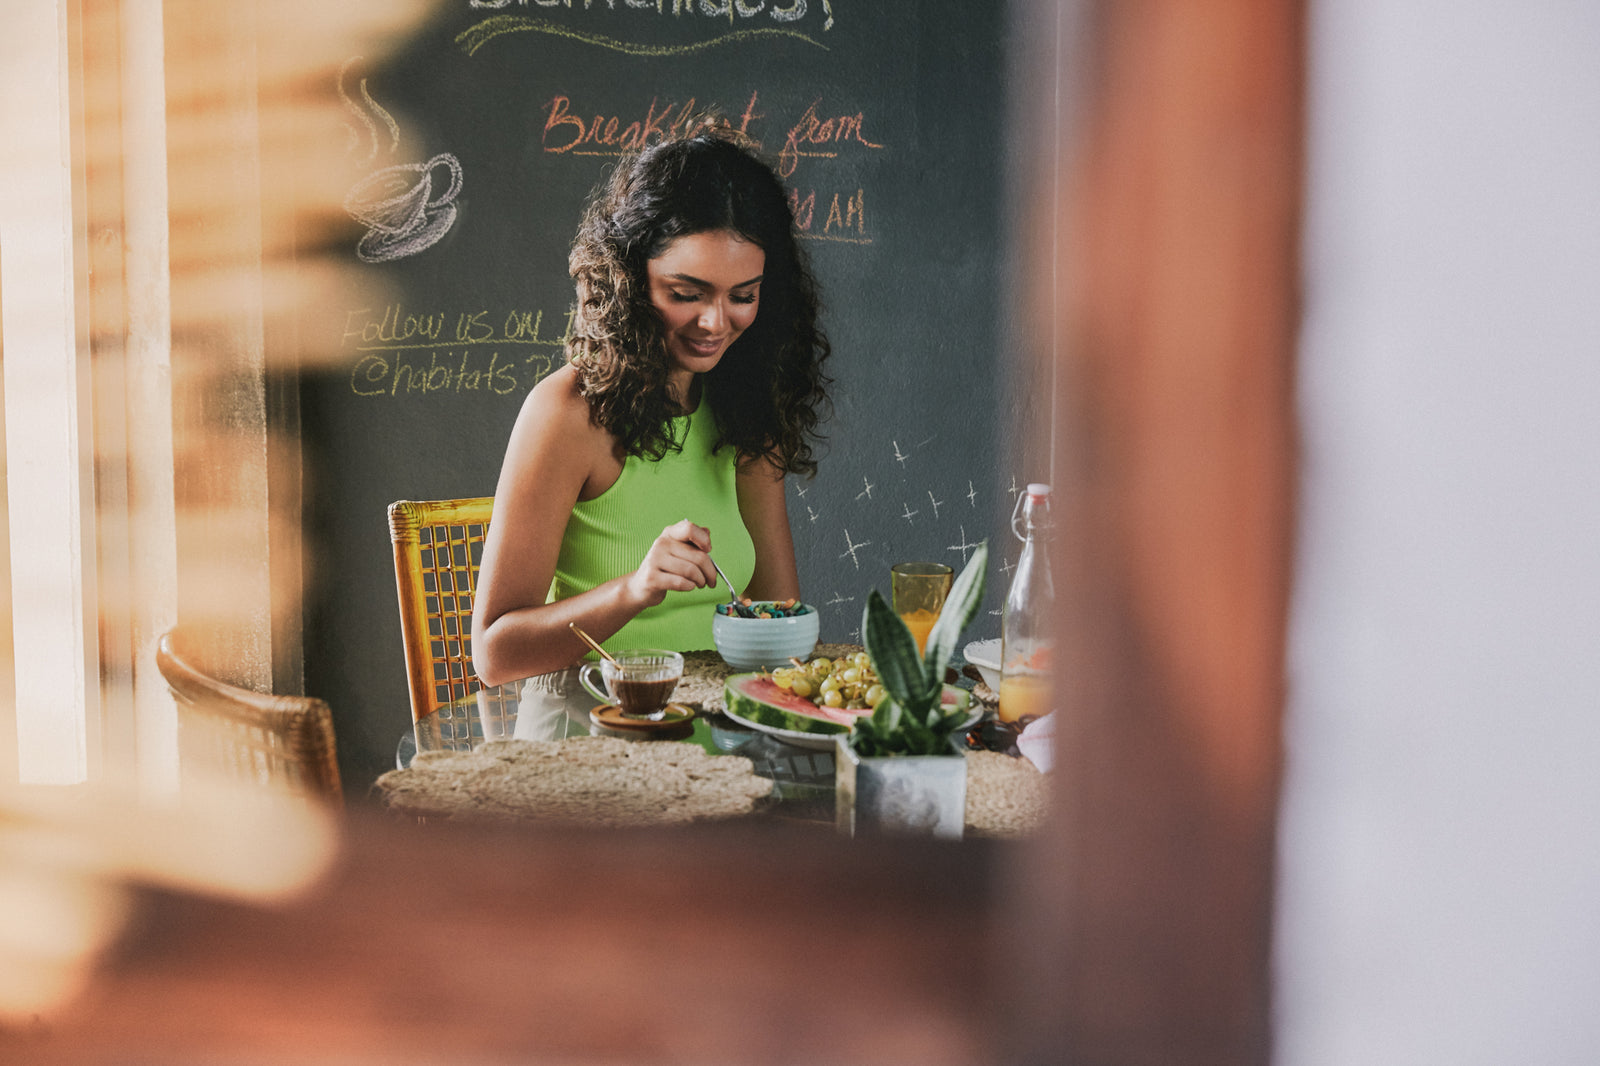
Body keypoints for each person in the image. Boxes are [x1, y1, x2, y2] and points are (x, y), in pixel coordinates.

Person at [472, 122, 831, 688]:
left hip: (714, 734)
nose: (715, 323)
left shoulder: (751, 408)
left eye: (743, 296)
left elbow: (777, 616)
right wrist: (636, 589)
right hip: (585, 733)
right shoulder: (565, 412)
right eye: (685, 294)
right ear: (629, 281)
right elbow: (496, 655)